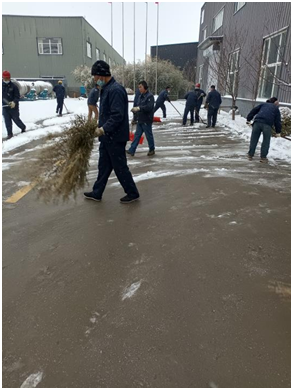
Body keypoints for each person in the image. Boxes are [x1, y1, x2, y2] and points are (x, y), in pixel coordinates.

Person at [84, 60, 140, 204]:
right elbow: (107, 114)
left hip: (115, 137)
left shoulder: (115, 90)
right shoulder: (106, 89)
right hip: (107, 137)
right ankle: (97, 192)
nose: (95, 80)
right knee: (103, 166)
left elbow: (117, 115)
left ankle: (132, 193)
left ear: (102, 75)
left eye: (96, 77)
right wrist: (100, 126)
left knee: (119, 166)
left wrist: (103, 129)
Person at [247, 97, 282, 163]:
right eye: (277, 102)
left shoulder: (263, 105)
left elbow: (254, 110)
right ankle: (263, 157)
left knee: (254, 139)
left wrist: (249, 119)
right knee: (266, 141)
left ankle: (250, 155)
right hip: (267, 124)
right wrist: (278, 131)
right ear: (275, 102)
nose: (278, 104)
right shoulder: (275, 108)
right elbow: (278, 121)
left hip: (257, 123)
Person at [127, 80, 155, 156]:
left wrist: (139, 108)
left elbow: (149, 107)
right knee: (137, 135)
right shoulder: (140, 96)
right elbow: (137, 107)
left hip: (147, 119)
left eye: (141, 87)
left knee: (149, 135)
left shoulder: (150, 96)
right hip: (140, 119)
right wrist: (135, 118)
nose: (139, 89)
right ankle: (132, 150)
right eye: (138, 87)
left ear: (145, 87)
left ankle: (152, 149)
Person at [2, 70, 26, 139]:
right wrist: (6, 102)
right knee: (7, 121)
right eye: (4, 78)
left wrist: (14, 102)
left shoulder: (14, 86)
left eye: (7, 78)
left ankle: (23, 127)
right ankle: (9, 134)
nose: (6, 80)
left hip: (13, 107)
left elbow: (17, 96)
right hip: (5, 107)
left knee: (16, 120)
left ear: (9, 78)